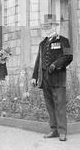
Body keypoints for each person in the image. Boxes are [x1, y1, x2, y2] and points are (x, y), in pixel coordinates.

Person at [31, 14, 73, 142]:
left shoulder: (64, 40)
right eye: (45, 26)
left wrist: (56, 65)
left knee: (60, 105)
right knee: (50, 105)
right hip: (45, 79)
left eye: (49, 25)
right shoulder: (42, 43)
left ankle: (62, 132)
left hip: (58, 78)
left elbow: (68, 57)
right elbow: (38, 61)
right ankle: (54, 130)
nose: (47, 28)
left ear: (55, 26)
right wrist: (34, 77)